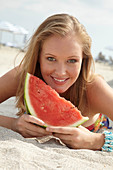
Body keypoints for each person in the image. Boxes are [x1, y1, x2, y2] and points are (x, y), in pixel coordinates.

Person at [0, 13, 113, 152]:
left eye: (72, 60)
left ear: (84, 60)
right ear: (38, 56)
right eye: (51, 58)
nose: (60, 72)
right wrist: (13, 124)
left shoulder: (93, 86)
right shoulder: (22, 76)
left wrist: (96, 140)